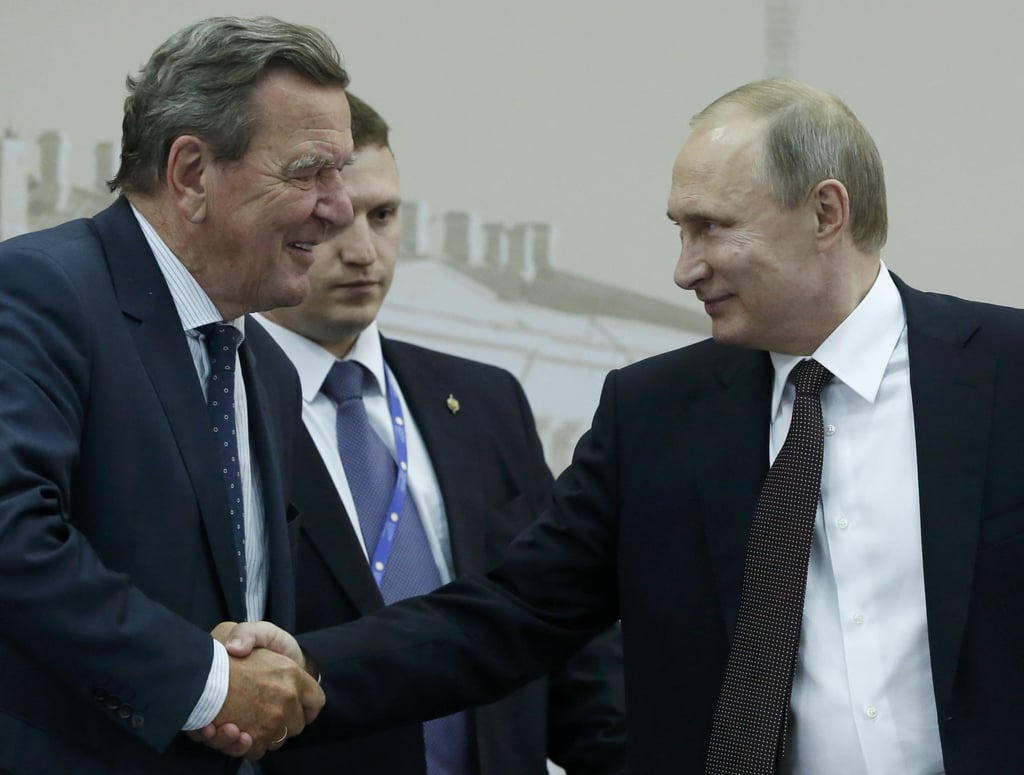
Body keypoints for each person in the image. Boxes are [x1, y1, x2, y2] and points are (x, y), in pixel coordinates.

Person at [221, 78, 1024, 773]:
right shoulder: (656, 414)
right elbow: (513, 610)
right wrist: (312, 662)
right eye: (680, 229)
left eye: (712, 227)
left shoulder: (1004, 376)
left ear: (825, 212)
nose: (685, 267)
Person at [0, 16, 353, 774]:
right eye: (309, 171)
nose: (340, 207)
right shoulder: (40, 292)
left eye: (341, 173)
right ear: (192, 172)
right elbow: (11, 534)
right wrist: (205, 682)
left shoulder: (265, 366)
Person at [253, 92, 626, 775]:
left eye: (383, 215)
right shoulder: (219, 410)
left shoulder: (485, 401)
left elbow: (565, 639)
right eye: (328, 221)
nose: (362, 251)